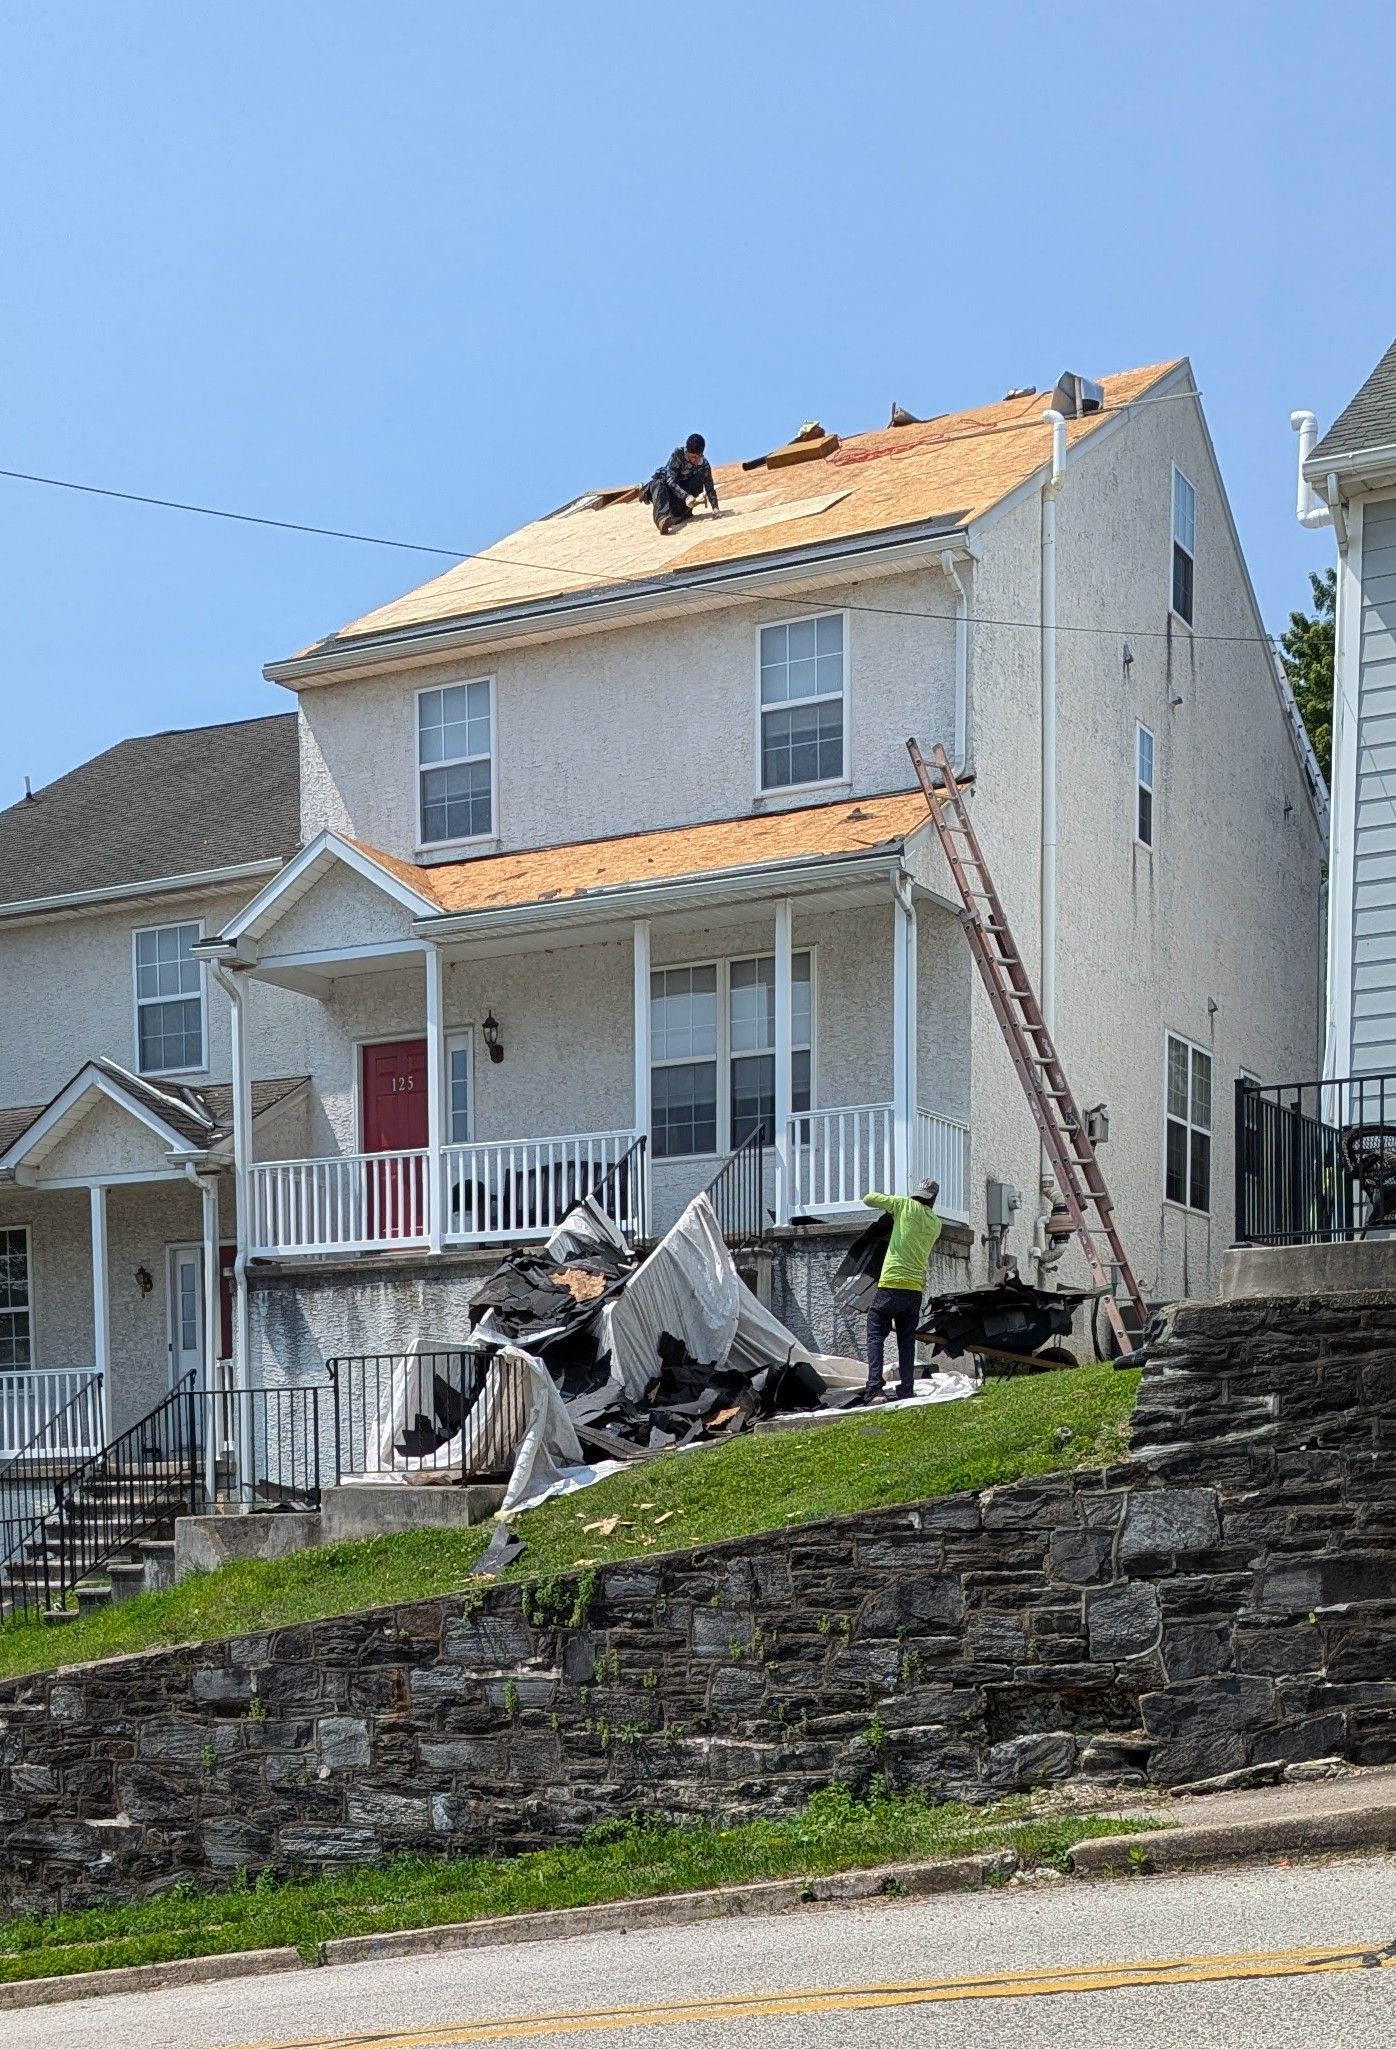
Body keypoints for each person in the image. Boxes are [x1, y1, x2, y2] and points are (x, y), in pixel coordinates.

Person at [860, 1180, 942, 1402]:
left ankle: (875, 1387)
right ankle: (906, 1388)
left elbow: (869, 1198)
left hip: (891, 1284)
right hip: (914, 1289)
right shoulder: (936, 1223)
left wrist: (893, 1205)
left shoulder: (903, 1205)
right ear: (933, 1200)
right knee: (906, 1341)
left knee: (875, 1333)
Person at [643, 433, 719, 534]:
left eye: (698, 457)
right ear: (687, 452)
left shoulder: (704, 465)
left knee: (700, 478)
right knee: (658, 483)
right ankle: (662, 519)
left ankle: (681, 513)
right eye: (692, 457)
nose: (695, 460)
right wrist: (686, 497)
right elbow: (670, 481)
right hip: (667, 495)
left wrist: (715, 509)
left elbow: (709, 488)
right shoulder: (678, 454)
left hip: (680, 503)